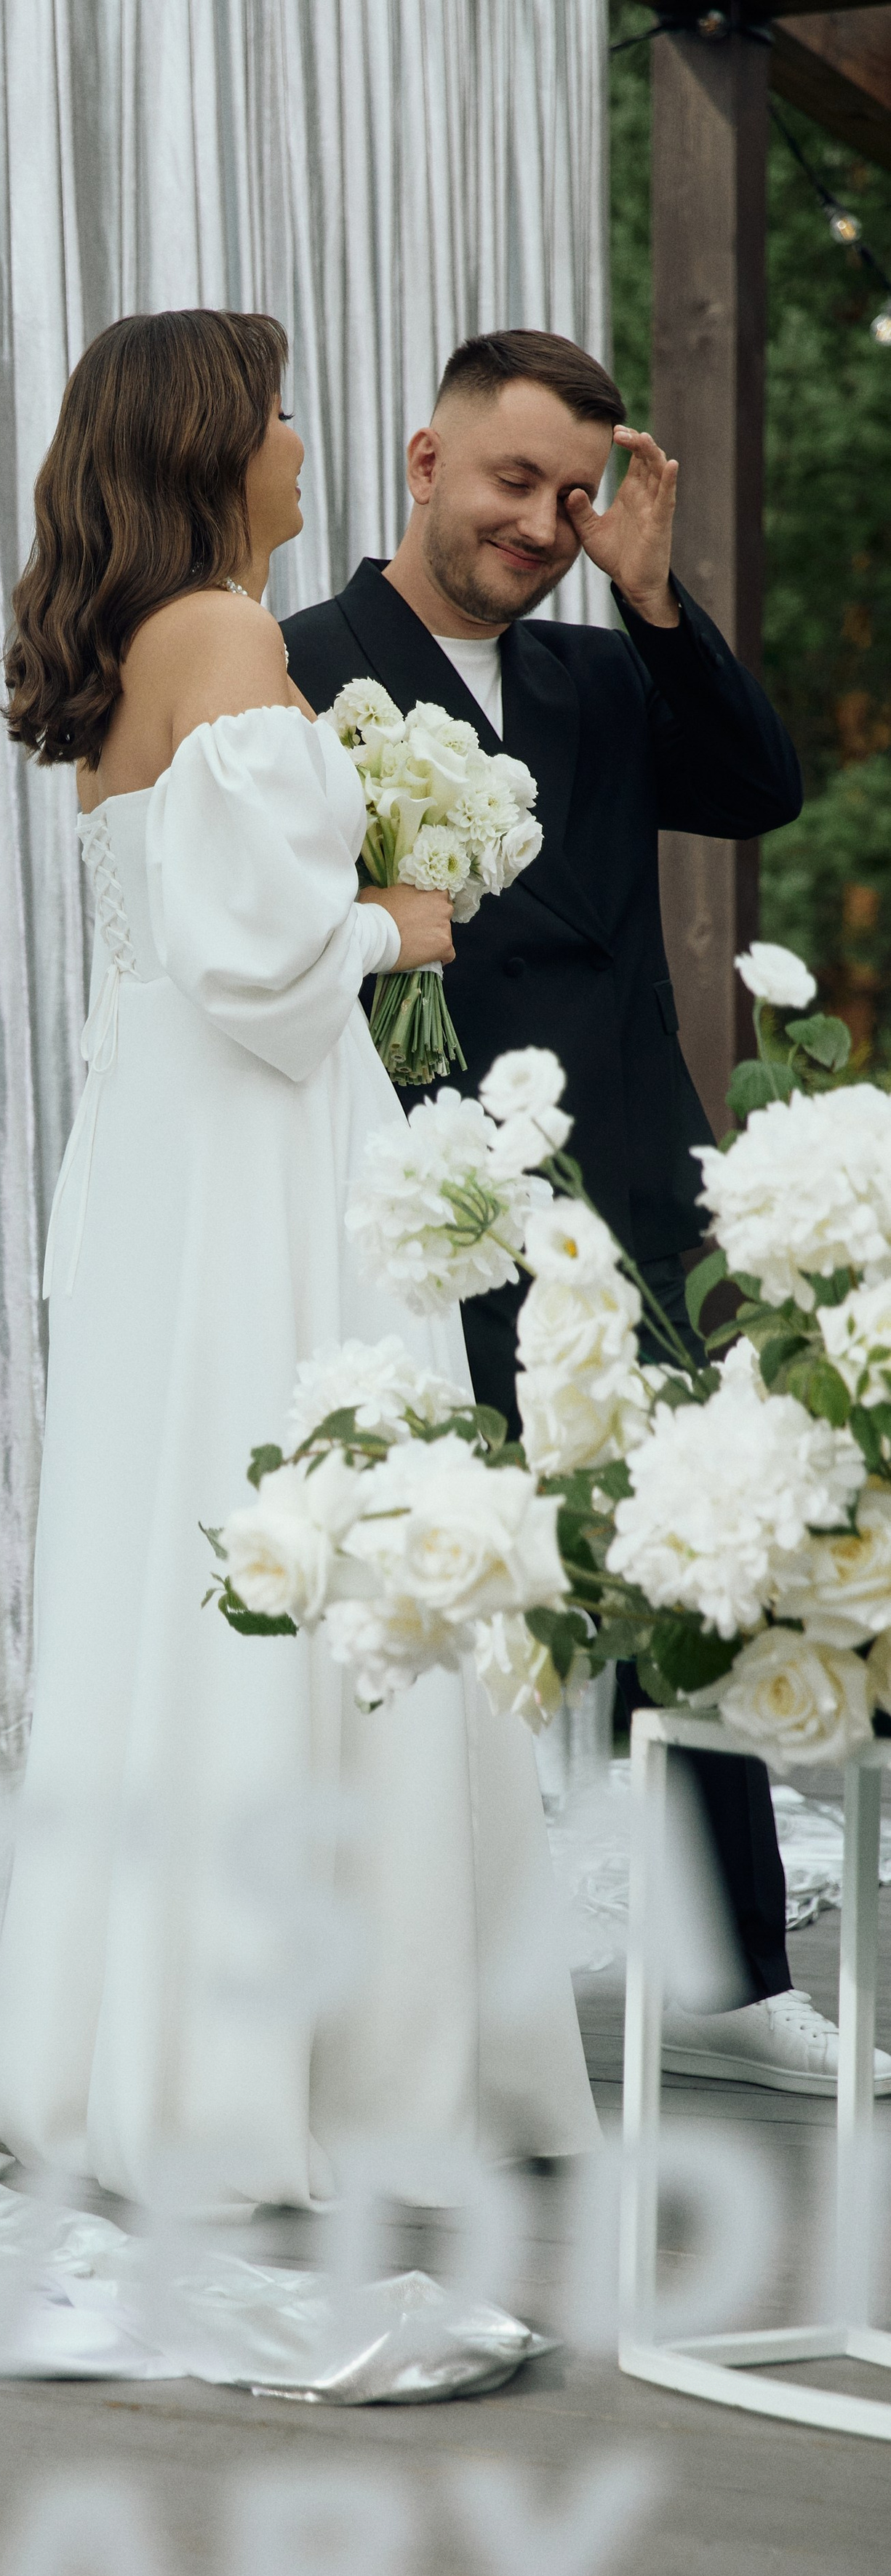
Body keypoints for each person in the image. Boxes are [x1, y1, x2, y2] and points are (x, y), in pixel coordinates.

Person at [0, 309, 598, 2209]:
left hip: (168, 1157)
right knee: (321, 1558)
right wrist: (407, 922)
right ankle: (328, 2064)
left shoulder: (136, 653)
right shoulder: (230, 634)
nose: (302, 438)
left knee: (198, 1565)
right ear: (206, 444)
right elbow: (260, 970)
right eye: (273, 411)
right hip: (256, 1156)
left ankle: (164, 2044)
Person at [282, 326, 891, 2099]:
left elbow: (757, 787)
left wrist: (650, 602)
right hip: (411, 1198)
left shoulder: (599, 671)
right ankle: (406, 1983)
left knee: (682, 1566)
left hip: (627, 1189)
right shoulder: (298, 666)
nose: (540, 522)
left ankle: (725, 1975)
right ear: (420, 461)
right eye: (511, 482)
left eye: (572, 494)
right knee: (428, 1579)